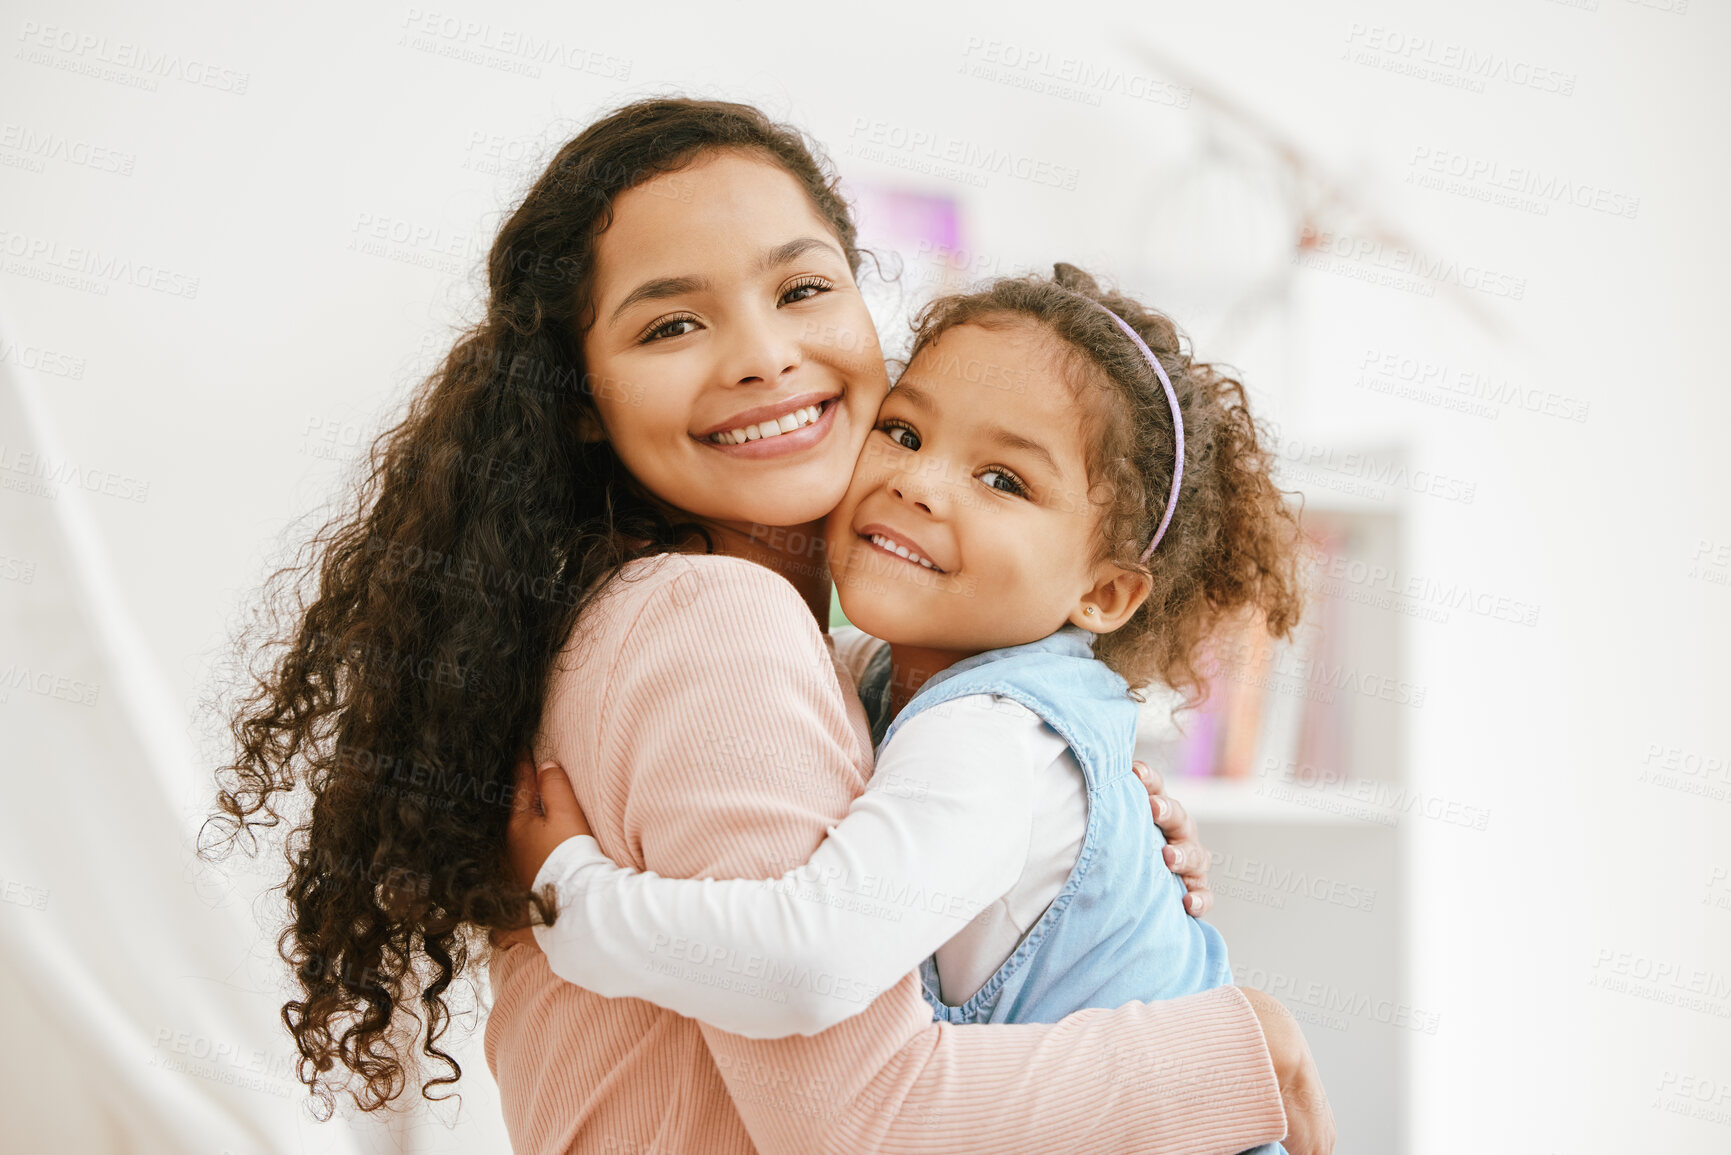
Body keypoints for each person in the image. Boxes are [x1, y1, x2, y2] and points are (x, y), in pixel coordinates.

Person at [209, 96, 1331, 1155]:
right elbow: (853, 1113)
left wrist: (1084, 834)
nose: (761, 354)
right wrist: (1243, 1050)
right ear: (580, 400)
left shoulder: (692, 623)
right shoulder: (722, 620)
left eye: (801, 292)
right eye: (673, 324)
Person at [507, 267, 1308, 1155]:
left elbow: (807, 964)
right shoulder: (908, 680)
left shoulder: (988, 736)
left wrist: (573, 900)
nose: (919, 483)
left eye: (1002, 479)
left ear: (1105, 591)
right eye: (902, 430)